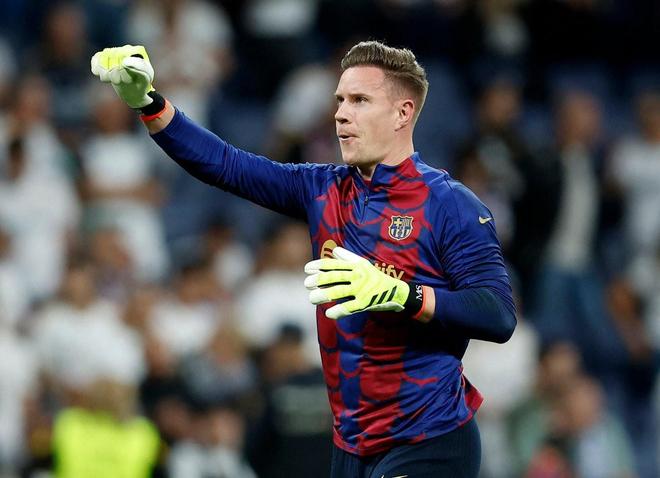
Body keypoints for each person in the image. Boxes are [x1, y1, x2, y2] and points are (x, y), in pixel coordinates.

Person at [91, 40, 516, 478]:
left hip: (430, 439)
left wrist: (402, 294)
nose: (341, 114)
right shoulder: (324, 189)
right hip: (351, 445)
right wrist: (149, 104)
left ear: (402, 113)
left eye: (359, 100)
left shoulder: (450, 204)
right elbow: (227, 165)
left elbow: (499, 315)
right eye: (340, 100)